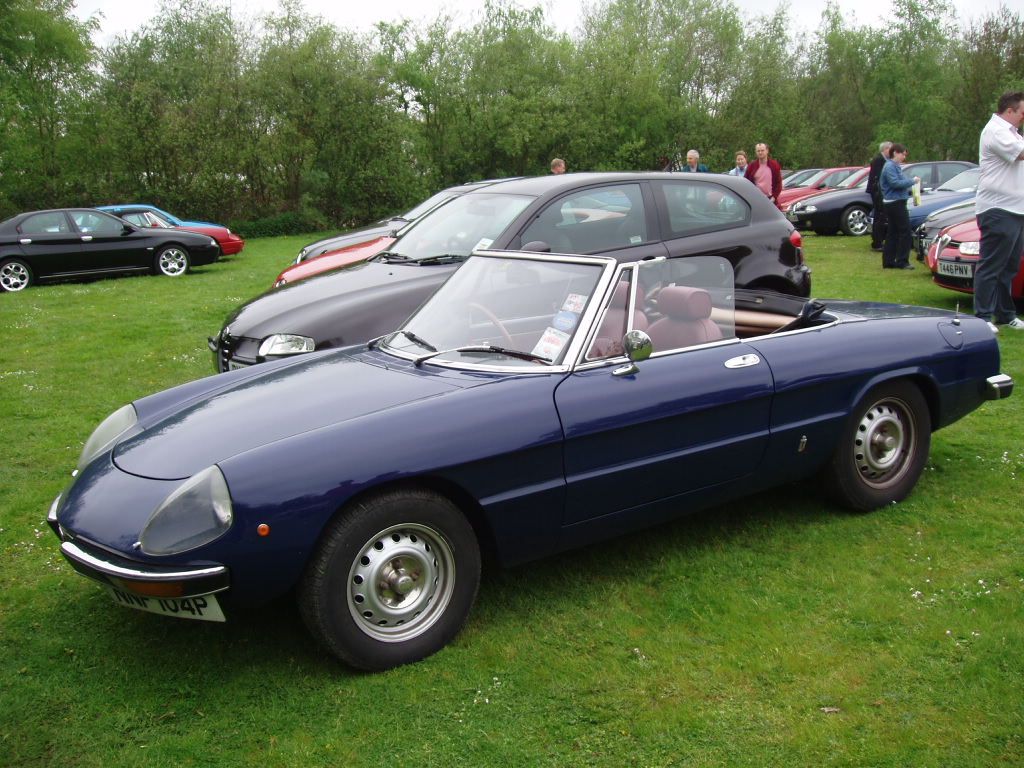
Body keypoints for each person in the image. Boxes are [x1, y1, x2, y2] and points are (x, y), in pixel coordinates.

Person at [974, 90, 1024, 333]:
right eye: (1022, 113)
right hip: (998, 208)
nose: (1023, 117)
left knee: (1010, 266)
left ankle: (1005, 314)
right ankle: (982, 316)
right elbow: (1021, 154)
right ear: (1010, 111)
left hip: (1016, 209)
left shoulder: (1013, 133)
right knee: (992, 265)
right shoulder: (996, 131)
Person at [880, 143, 920, 270]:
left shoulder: (895, 166)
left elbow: (899, 182)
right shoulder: (890, 166)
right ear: (895, 153)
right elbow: (895, 183)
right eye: (903, 154)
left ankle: (889, 261)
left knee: (893, 232)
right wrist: (912, 181)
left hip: (895, 202)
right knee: (905, 232)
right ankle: (902, 261)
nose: (904, 157)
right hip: (894, 203)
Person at [866, 141, 892, 251]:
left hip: (881, 191)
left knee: (881, 216)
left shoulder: (886, 160)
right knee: (879, 216)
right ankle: (877, 242)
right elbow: (877, 177)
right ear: (885, 149)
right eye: (890, 149)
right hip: (877, 192)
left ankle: (880, 239)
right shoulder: (878, 160)